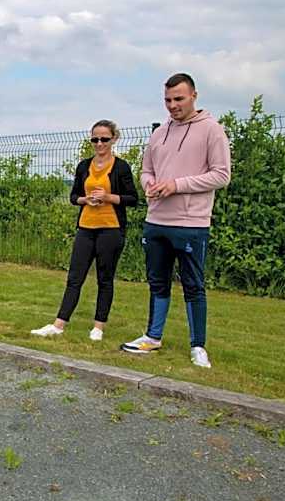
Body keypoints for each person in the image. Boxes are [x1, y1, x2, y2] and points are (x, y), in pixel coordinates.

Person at [120, 73, 231, 368]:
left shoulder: (212, 130)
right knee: (157, 282)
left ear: (194, 95)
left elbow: (221, 175)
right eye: (168, 100)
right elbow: (146, 170)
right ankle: (152, 337)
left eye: (178, 99)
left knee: (193, 285)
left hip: (192, 223)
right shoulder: (159, 133)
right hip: (156, 220)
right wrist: (149, 184)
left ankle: (198, 346)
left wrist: (176, 185)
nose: (172, 105)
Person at [31, 120, 139, 341]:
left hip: (111, 229)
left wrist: (108, 197)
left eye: (104, 139)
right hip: (86, 228)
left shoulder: (121, 167)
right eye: (95, 139)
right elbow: (73, 197)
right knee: (74, 277)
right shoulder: (83, 166)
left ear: (114, 139)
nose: (99, 143)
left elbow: (133, 199)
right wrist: (85, 200)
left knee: (104, 279)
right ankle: (58, 325)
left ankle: (98, 327)